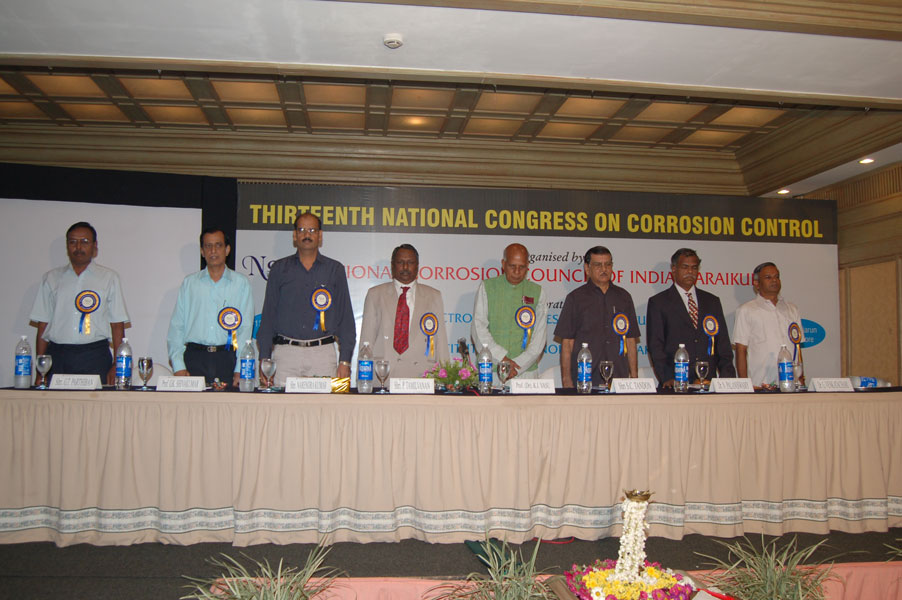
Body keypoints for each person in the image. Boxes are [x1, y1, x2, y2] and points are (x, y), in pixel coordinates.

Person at [256, 212, 355, 386]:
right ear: (294, 235)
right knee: (282, 404)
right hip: (285, 355)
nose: (307, 235)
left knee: (324, 404)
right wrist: (264, 358)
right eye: (302, 230)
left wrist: (345, 361)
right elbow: (268, 317)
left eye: (312, 230)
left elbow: (345, 319)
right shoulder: (279, 269)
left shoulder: (334, 270)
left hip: (323, 355)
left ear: (320, 235)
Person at [30, 221, 130, 385]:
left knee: (96, 402)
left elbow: (117, 324)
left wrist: (117, 365)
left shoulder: (109, 278)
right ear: (67, 246)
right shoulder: (51, 278)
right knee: (56, 402)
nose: (78, 247)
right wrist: (40, 370)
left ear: (94, 246)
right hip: (58, 355)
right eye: (73, 242)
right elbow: (43, 324)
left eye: (84, 242)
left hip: (95, 355)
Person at [166, 228, 254, 387]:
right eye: (208, 246)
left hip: (227, 359)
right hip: (194, 358)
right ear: (202, 251)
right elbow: (177, 327)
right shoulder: (189, 284)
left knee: (229, 403)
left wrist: (240, 368)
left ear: (227, 250)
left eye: (218, 245)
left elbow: (245, 329)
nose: (213, 250)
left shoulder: (241, 284)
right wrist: (178, 366)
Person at [646, 247, 735, 387]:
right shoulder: (658, 302)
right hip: (675, 382)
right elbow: (656, 346)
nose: (690, 272)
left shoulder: (712, 301)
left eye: (694, 268)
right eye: (685, 267)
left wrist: (727, 380)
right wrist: (667, 378)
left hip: (708, 382)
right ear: (674, 269)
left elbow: (723, 344)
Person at [359, 244, 449, 378]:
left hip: (422, 376)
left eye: (410, 263)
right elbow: (367, 340)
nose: (405, 267)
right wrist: (363, 379)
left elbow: (440, 341)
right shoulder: (375, 294)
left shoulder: (433, 296)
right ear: (392, 266)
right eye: (400, 262)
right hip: (384, 375)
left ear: (417, 266)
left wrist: (446, 377)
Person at [555, 246, 639, 387]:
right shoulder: (575, 298)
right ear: (587, 269)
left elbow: (630, 340)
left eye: (608, 264)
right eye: (598, 265)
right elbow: (567, 343)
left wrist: (634, 378)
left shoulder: (624, 297)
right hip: (586, 378)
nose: (604, 269)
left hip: (619, 379)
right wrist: (566, 380)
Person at [471, 243, 547, 380]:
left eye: (522, 267)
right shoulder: (487, 287)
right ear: (503, 264)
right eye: (512, 266)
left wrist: (517, 365)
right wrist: (502, 359)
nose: (517, 272)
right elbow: (478, 329)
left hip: (525, 372)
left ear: (527, 266)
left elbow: (539, 338)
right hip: (492, 369)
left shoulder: (538, 291)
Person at [732, 262, 803, 387]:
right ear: (756, 283)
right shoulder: (746, 310)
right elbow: (741, 350)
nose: (774, 280)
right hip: (760, 385)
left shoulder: (792, 309)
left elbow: (797, 348)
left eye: (777, 276)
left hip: (791, 384)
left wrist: (801, 378)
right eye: (768, 277)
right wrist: (745, 385)